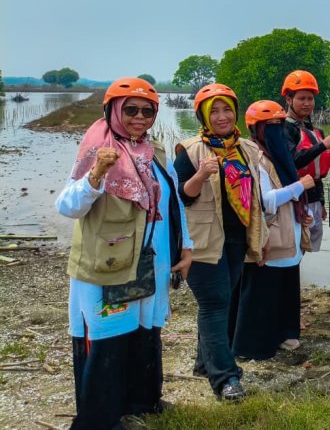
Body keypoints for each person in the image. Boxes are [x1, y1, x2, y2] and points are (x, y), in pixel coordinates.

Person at [56, 77, 193, 429]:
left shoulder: (155, 152)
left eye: (148, 111)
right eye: (130, 109)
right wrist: (97, 174)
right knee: (108, 337)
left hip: (153, 263)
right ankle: (101, 418)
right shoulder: (96, 151)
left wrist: (187, 248)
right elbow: (68, 207)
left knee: (146, 329)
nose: (140, 117)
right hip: (107, 265)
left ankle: (143, 400)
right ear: (112, 110)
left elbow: (175, 202)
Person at [173, 83, 267, 400]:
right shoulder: (189, 151)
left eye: (227, 109)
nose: (223, 116)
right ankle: (226, 378)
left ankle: (204, 363)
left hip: (237, 239)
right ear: (202, 115)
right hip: (201, 240)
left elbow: (256, 199)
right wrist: (200, 175)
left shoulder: (247, 149)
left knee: (224, 305)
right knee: (214, 305)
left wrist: (262, 238)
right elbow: (180, 198)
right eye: (215, 111)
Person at [231, 101, 315, 359]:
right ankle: (253, 346)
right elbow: (266, 200)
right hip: (269, 235)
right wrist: (300, 186)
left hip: (289, 233)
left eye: (280, 125)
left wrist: (305, 213)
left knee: (286, 288)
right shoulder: (255, 157)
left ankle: (286, 334)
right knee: (261, 292)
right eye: (270, 127)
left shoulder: (278, 154)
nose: (277, 131)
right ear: (256, 129)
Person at [281, 70, 330, 253]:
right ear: (289, 99)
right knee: (295, 245)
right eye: (302, 98)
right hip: (295, 196)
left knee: (307, 246)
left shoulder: (315, 131)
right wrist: (322, 146)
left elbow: (317, 174)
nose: (307, 103)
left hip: (313, 196)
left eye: (310, 98)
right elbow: (292, 162)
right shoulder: (284, 128)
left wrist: (321, 202)